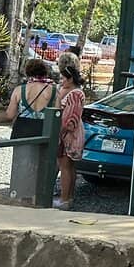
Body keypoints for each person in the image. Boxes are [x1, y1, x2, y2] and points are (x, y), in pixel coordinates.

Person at [55, 61, 85, 209]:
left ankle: (64, 198)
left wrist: (61, 132)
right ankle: (69, 197)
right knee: (70, 167)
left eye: (63, 78)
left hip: (69, 134)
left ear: (70, 79)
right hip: (71, 132)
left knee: (65, 166)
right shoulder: (75, 93)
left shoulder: (74, 95)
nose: (61, 82)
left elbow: (70, 119)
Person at [5, 58, 57, 139]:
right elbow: (57, 117)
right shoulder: (54, 91)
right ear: (45, 72)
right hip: (44, 132)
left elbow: (10, 115)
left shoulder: (19, 90)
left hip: (22, 131)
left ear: (27, 72)